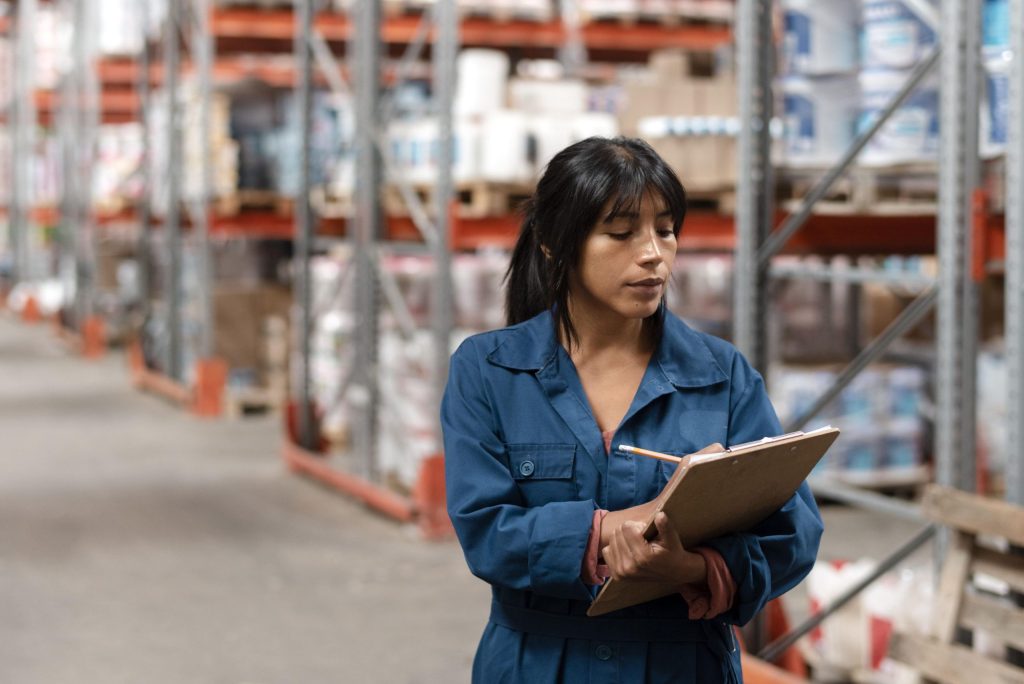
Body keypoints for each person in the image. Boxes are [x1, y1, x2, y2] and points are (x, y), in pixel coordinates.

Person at [441, 137, 823, 683]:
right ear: (554, 242)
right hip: (536, 662)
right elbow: (485, 530)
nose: (652, 253)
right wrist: (609, 531)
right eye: (620, 233)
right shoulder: (490, 371)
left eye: (665, 230)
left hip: (681, 663)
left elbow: (794, 533)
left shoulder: (722, 375)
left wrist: (692, 569)